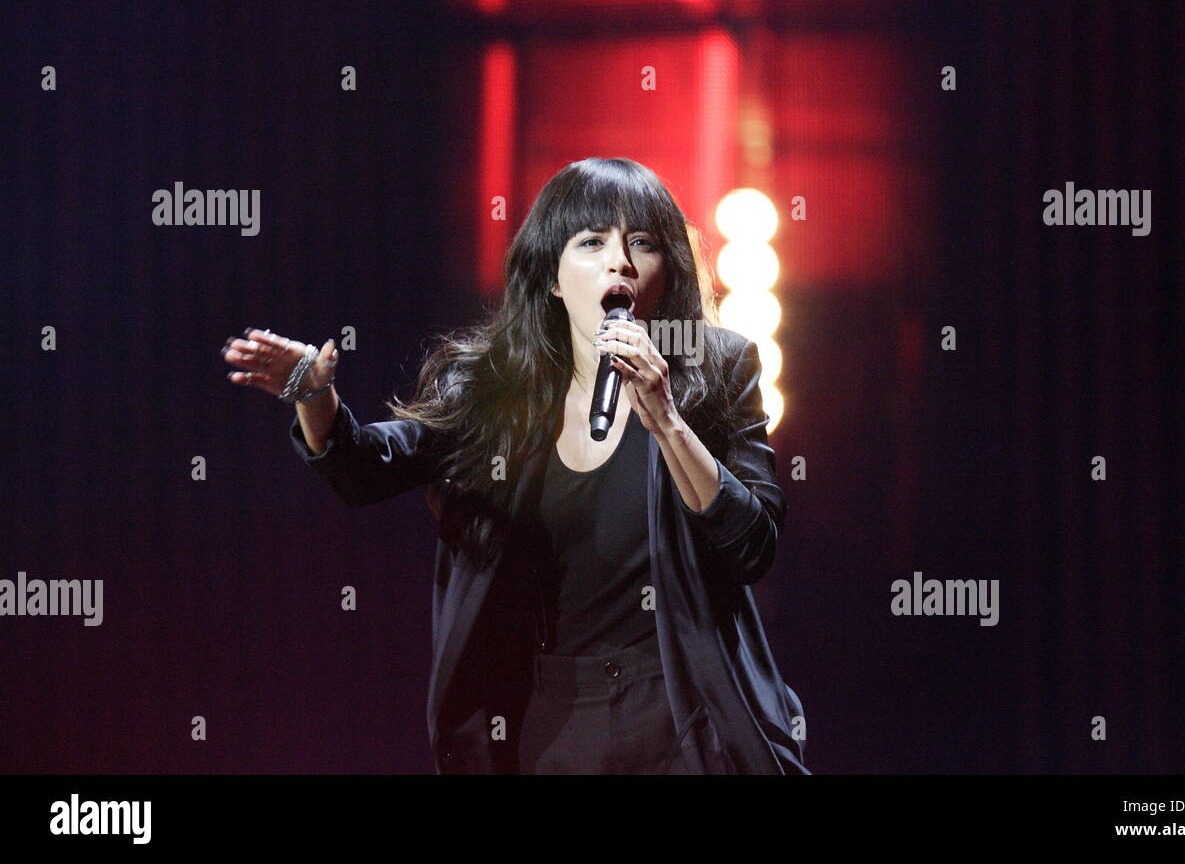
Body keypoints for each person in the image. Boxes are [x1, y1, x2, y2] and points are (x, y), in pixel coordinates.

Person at [220, 157, 809, 774]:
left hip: (683, 711)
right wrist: (315, 396)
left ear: (670, 271)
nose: (621, 262)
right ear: (553, 277)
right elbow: (365, 468)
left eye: (643, 243)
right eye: (591, 242)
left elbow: (752, 545)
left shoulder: (717, 369)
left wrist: (665, 418)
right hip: (551, 719)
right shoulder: (497, 388)